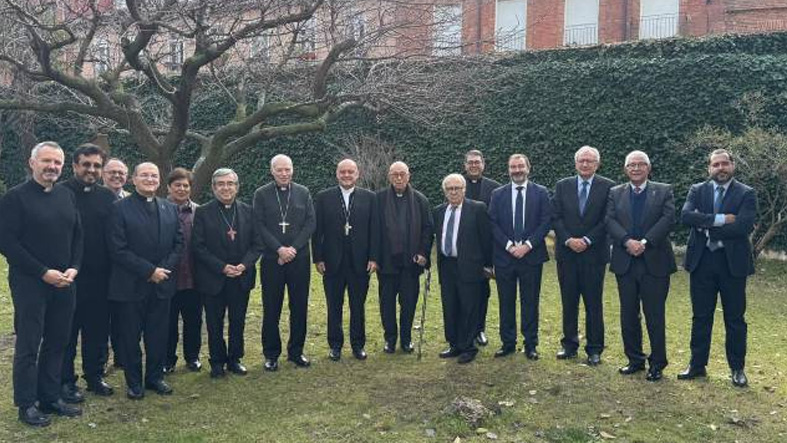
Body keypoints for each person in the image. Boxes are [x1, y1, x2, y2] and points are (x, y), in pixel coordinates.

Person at [0, 141, 83, 426]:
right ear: (31, 162)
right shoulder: (15, 198)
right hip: (30, 283)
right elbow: (7, 243)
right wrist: (42, 272)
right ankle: (27, 404)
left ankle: (50, 396)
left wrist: (74, 267)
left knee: (58, 342)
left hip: (64, 282)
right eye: (46, 161)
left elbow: (77, 236)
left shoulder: (66, 195)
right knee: (28, 344)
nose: (52, 167)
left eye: (57, 162)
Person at [678, 149, 756, 387]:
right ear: (709, 168)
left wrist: (705, 223)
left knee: (735, 319)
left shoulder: (746, 193)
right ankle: (697, 365)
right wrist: (722, 219)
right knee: (701, 316)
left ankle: (737, 368)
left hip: (732, 265)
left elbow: (743, 226)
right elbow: (686, 216)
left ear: (732, 166)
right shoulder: (697, 190)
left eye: (724, 164)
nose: (720, 168)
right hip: (702, 263)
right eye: (715, 164)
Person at [108, 162, 183, 399]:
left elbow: (178, 244)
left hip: (162, 285)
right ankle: (134, 382)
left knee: (158, 334)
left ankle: (154, 378)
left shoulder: (169, 208)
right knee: (130, 337)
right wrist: (150, 271)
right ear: (134, 179)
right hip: (131, 286)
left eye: (154, 175)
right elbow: (117, 249)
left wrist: (163, 270)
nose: (150, 179)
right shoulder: (119, 209)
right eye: (145, 175)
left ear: (160, 181)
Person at [606, 150, 676, 382]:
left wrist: (644, 242)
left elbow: (667, 219)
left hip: (654, 262)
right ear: (625, 169)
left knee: (654, 314)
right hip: (625, 262)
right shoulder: (615, 193)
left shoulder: (663, 190)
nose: (636, 168)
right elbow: (609, 220)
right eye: (631, 165)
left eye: (640, 164)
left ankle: (657, 363)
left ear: (648, 168)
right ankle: (634, 359)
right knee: (628, 314)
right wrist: (627, 241)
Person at [61, 144, 116, 402]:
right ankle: (65, 381)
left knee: (96, 332)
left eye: (96, 165)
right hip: (68, 278)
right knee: (67, 333)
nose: (91, 170)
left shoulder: (108, 197)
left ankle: (94, 377)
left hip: (100, 278)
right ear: (74, 166)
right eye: (86, 164)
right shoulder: (60, 194)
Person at [193, 168, 259, 378]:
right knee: (214, 322)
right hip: (214, 277)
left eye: (230, 183)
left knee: (238, 321)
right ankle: (216, 361)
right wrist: (222, 267)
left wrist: (243, 265)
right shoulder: (203, 212)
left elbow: (257, 245)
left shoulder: (248, 211)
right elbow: (198, 247)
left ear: (237, 187)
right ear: (213, 187)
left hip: (241, 276)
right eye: (220, 184)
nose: (226, 187)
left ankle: (234, 359)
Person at [551, 146, 614, 366]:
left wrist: (586, 240)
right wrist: (569, 240)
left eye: (589, 161)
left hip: (593, 255)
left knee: (593, 303)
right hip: (567, 254)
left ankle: (594, 349)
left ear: (597, 164)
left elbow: (607, 219)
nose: (585, 164)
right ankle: (569, 345)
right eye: (581, 161)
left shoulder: (608, 187)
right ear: (575, 163)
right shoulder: (562, 186)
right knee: (569, 301)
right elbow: (555, 217)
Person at [253, 154, 316, 371]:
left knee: (299, 307)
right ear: (272, 171)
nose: (284, 173)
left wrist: (293, 249)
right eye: (279, 170)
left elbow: (310, 223)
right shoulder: (261, 194)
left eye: (287, 169)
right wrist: (279, 249)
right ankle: (271, 354)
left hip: (299, 260)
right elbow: (259, 225)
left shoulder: (303, 192)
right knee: (272, 308)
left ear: (293, 170)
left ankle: (296, 351)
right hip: (272, 260)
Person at [312, 159, 379, 361]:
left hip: (360, 261)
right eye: (343, 172)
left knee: (358, 306)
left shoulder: (370, 197)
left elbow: (375, 230)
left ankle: (358, 345)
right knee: (334, 305)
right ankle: (335, 345)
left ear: (357, 174)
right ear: (337, 174)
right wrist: (318, 257)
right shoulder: (324, 197)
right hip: (332, 262)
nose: (347, 175)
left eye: (351, 172)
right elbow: (317, 231)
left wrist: (374, 257)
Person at [488, 154, 551, 360]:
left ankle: (530, 344)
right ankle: (508, 343)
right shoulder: (498, 194)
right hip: (505, 258)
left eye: (520, 166)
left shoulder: (541, 193)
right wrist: (508, 246)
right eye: (513, 167)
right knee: (506, 302)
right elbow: (492, 223)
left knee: (530, 301)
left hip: (531, 257)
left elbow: (545, 222)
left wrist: (527, 245)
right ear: (508, 170)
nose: (517, 170)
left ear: (528, 168)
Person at [433, 174, 492, 364]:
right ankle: (454, 344)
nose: (453, 192)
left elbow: (486, 239)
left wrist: (488, 266)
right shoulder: (439, 211)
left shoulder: (477, 209)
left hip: (470, 266)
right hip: (447, 266)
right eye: (449, 189)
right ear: (445, 191)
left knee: (469, 307)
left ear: (464, 189)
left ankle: (468, 346)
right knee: (450, 306)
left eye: (457, 188)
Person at [375, 161, 433, 354]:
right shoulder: (379, 199)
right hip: (387, 263)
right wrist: (374, 257)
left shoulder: (420, 200)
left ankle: (406, 339)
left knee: (408, 304)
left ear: (409, 176)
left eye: (402, 174)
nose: (399, 178)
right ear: (389, 177)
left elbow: (427, 229)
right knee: (387, 304)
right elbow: (373, 230)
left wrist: (423, 253)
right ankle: (390, 339)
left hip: (411, 263)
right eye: (395, 175)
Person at [164, 168, 203, 374]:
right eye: (177, 185)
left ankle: (192, 357)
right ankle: (168, 359)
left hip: (194, 277)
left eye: (185, 185)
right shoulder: (160, 209)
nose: (181, 189)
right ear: (169, 187)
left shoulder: (199, 211)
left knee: (194, 320)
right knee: (168, 322)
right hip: (169, 277)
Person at [462, 149, 501, 346]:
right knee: (462, 292)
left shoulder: (495, 189)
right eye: (470, 162)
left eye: (477, 162)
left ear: (483, 164)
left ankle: (480, 329)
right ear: (465, 165)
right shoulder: (456, 185)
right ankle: (464, 329)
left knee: (482, 291)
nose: (474, 165)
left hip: (485, 250)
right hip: (462, 251)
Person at [101, 157, 129, 370]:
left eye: (121, 172)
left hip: (126, 270)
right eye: (112, 172)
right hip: (99, 269)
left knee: (122, 318)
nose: (117, 176)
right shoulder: (94, 198)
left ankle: (122, 357)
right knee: (101, 320)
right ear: (103, 174)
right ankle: (100, 362)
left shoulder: (130, 200)